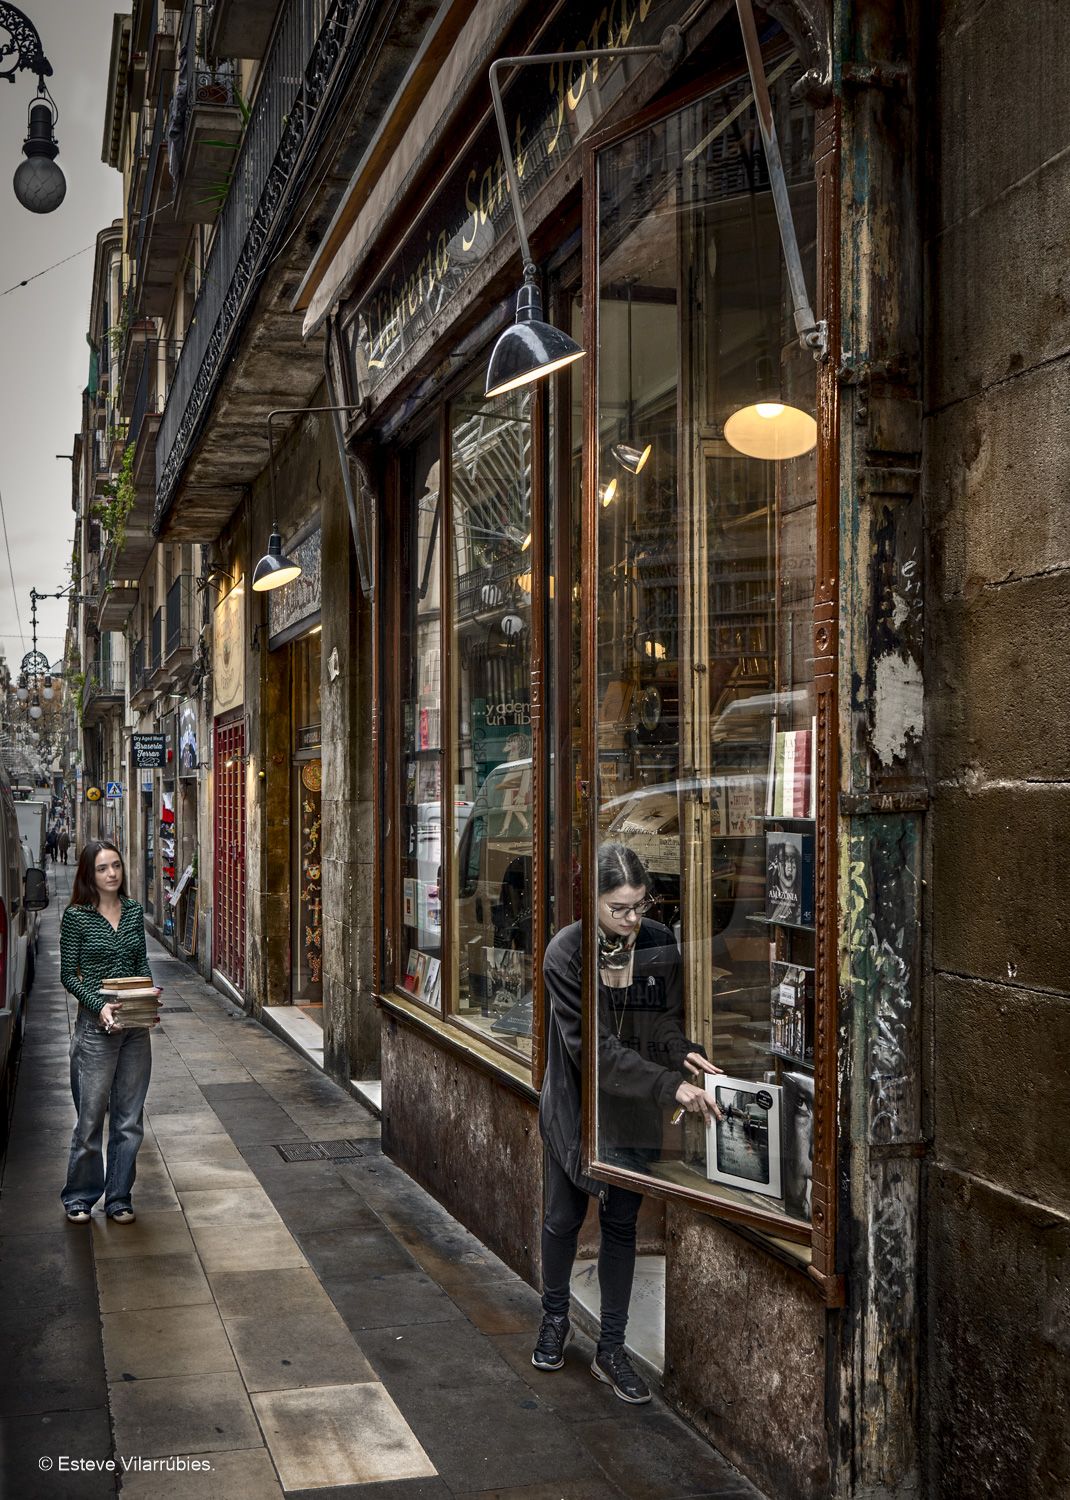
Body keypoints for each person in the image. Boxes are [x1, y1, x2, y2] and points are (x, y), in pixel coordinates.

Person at [533, 842, 723, 1403]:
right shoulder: (565, 955)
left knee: (622, 1225)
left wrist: (682, 1052)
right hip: (576, 1105)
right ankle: (554, 1316)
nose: (632, 918)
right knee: (563, 1217)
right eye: (619, 908)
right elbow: (594, 1053)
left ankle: (611, 1349)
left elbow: (661, 1022)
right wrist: (669, 1085)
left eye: (640, 905)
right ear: (591, 902)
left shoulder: (659, 942)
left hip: (634, 1108)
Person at [59, 839, 161, 1225]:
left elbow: (140, 962)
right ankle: (79, 1196)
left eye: (116, 865)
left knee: (129, 1120)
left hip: (134, 1026)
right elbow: (68, 975)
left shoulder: (133, 911)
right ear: (89, 874)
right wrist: (98, 1005)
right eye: (102, 868)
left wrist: (148, 996)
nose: (112, 873)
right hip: (95, 1031)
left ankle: (118, 1196)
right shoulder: (77, 917)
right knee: (90, 1120)